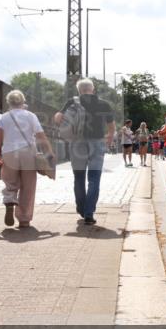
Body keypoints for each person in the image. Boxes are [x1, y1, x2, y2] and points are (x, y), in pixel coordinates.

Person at [55, 78, 116, 225]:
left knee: (79, 177)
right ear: (93, 89)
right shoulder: (104, 104)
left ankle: (81, 208)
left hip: (77, 143)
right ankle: (89, 212)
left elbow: (58, 119)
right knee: (94, 178)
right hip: (97, 142)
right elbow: (111, 126)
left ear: (79, 90)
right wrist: (109, 138)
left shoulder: (72, 102)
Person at [0, 90, 56, 229]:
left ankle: (9, 200)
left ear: (8, 102)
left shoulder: (3, 117)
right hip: (28, 153)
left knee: (10, 181)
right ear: (23, 102)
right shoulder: (31, 116)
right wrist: (49, 153)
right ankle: (24, 219)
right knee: (28, 186)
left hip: (9, 152)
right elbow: (40, 136)